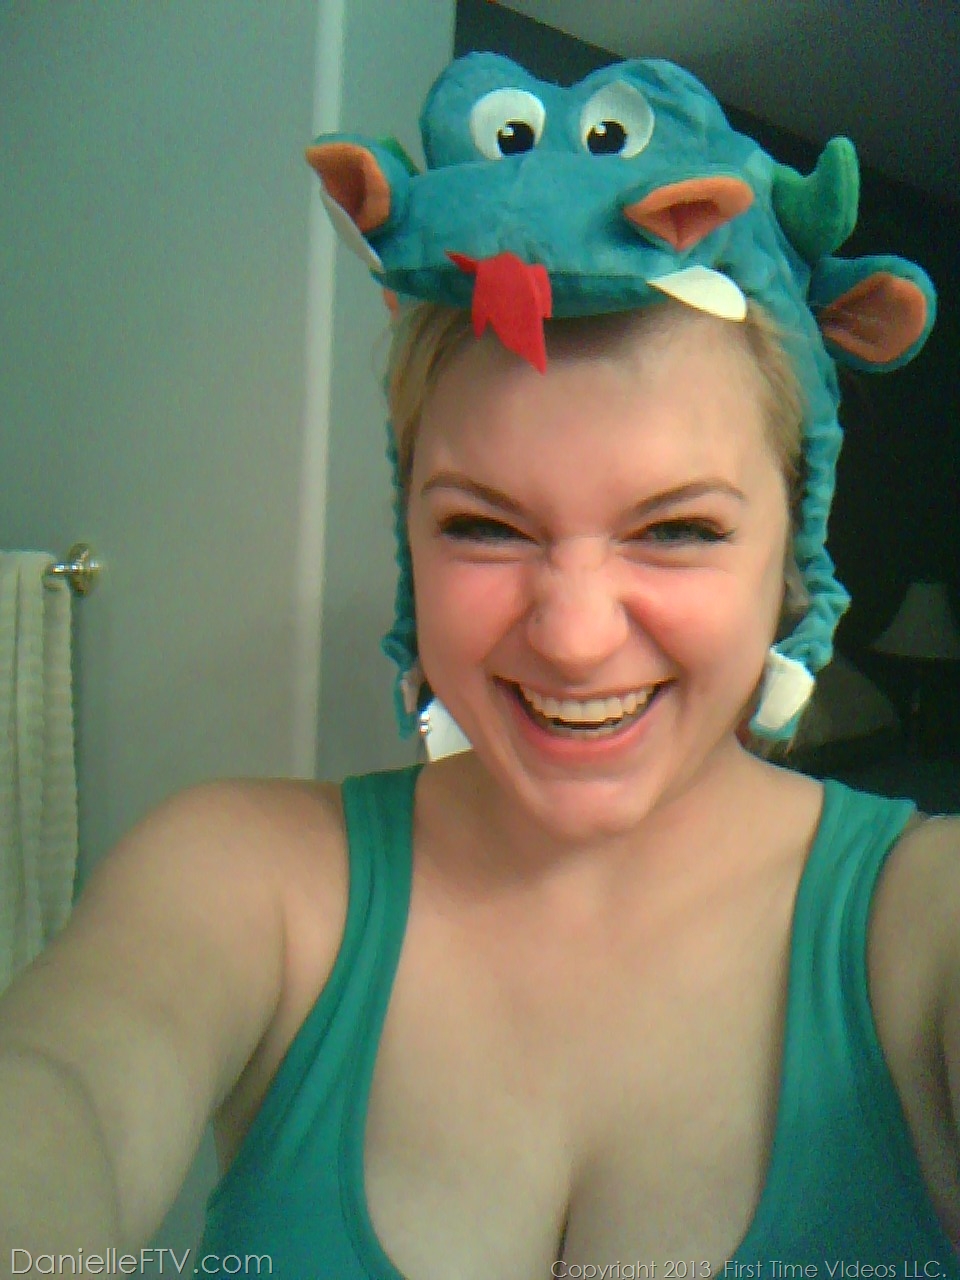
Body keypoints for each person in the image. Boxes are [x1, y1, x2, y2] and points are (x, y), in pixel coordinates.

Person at [1, 51, 957, 1279]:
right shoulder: (243, 879)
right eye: (485, 526)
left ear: (792, 552)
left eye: (677, 529)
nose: (573, 633)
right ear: (410, 531)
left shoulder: (920, 923)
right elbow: (59, 1083)